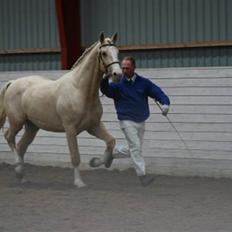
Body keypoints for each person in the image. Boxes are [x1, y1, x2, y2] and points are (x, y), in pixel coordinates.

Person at [100, 56, 170, 186]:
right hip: (126, 120)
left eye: (127, 68)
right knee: (136, 148)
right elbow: (106, 90)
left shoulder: (143, 83)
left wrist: (165, 103)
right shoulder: (117, 84)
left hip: (141, 120)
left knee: (134, 148)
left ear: (134, 68)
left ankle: (113, 153)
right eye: (123, 68)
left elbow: (157, 92)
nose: (124, 70)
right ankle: (143, 176)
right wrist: (104, 78)